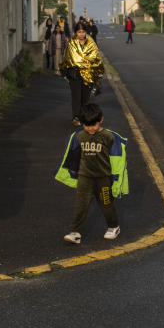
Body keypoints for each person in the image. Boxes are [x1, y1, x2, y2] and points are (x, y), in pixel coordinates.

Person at [54, 103, 128, 244]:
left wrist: (117, 179)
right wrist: (71, 173)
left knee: (106, 203)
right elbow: (72, 155)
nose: (90, 129)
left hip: (103, 177)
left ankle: (113, 226)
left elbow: (117, 158)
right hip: (85, 176)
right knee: (81, 204)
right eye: (86, 125)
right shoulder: (79, 136)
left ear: (101, 120)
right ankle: (75, 232)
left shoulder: (109, 137)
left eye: (93, 125)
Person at [59, 23, 104, 126]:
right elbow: (67, 58)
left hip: (88, 74)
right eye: (79, 32)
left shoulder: (91, 43)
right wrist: (68, 71)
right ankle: (76, 116)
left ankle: (84, 116)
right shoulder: (71, 43)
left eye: (83, 32)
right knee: (76, 97)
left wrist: (98, 74)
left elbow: (96, 58)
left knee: (85, 97)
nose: (81, 34)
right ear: (76, 32)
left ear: (86, 32)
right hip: (75, 74)